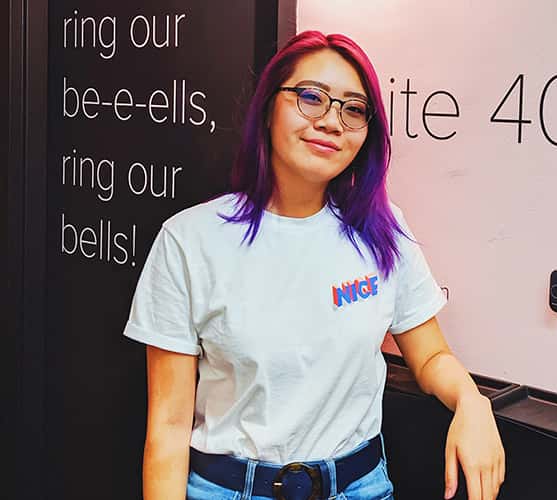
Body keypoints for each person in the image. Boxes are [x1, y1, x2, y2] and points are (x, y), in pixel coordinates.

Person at [123, 30, 505, 500]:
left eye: (353, 109)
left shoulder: (382, 232)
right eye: (310, 97)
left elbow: (430, 356)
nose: (331, 121)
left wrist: (472, 402)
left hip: (358, 488)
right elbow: (168, 425)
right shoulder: (190, 240)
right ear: (268, 109)